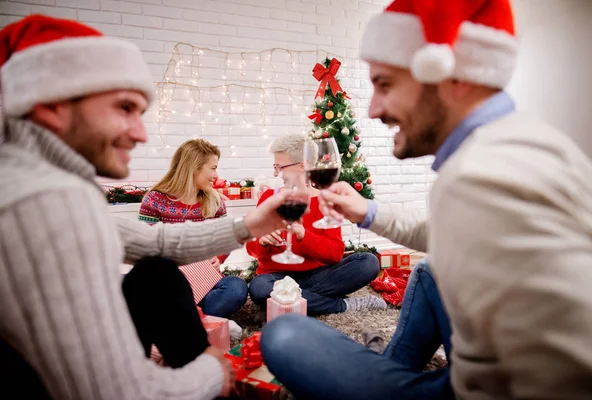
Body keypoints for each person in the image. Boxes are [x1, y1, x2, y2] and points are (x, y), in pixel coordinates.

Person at [259, 0, 592, 399]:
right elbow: (451, 234)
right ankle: (392, 366)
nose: (373, 108)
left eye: (385, 85)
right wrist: (367, 212)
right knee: (430, 271)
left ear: (452, 80)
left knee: (283, 333)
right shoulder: (515, 143)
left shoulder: (485, 173)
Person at [0, 15, 289, 400]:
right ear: (53, 106)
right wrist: (211, 373)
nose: (141, 132)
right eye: (124, 108)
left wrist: (249, 224)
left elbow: (156, 242)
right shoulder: (44, 204)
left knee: (157, 276)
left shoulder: (40, 183)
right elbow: (117, 392)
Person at [246, 134, 384, 319]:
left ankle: (284, 302)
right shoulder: (269, 197)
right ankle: (340, 305)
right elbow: (251, 249)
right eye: (274, 167)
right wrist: (261, 241)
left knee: (368, 263)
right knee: (260, 288)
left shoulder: (324, 201)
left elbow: (335, 253)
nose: (275, 174)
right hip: (275, 277)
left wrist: (305, 236)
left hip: (318, 276)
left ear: (302, 165)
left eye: (280, 167)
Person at [138, 139, 248, 318]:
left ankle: (181, 316)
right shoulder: (155, 200)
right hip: (168, 281)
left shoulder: (215, 201)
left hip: (204, 282)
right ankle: (193, 316)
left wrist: (218, 257)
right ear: (194, 167)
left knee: (236, 287)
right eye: (212, 168)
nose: (216, 175)